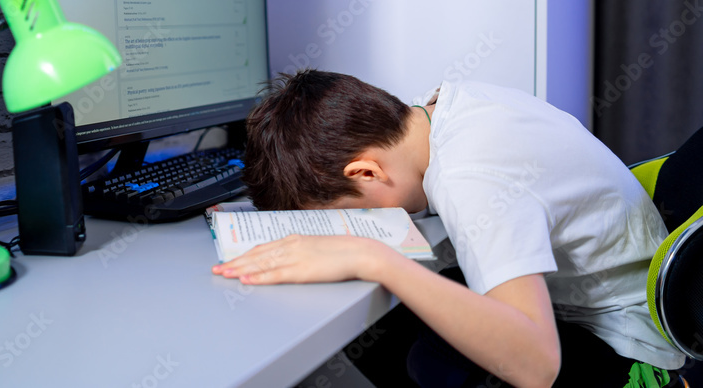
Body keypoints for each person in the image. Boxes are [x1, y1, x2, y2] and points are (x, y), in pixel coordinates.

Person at [211, 70, 686, 388]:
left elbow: (537, 365)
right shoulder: (447, 107)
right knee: (399, 320)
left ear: (366, 172)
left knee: (424, 357)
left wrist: (374, 256)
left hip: (633, 351)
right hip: (608, 293)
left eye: (350, 214)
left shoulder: (469, 178)